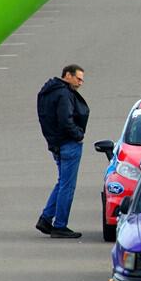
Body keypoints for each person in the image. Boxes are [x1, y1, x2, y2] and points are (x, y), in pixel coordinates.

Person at [36, 65, 89, 239]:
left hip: (55, 143)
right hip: (68, 144)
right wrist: (78, 135)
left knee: (62, 183)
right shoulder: (64, 94)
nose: (81, 83)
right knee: (67, 185)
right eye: (78, 78)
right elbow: (65, 120)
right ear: (67, 75)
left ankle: (46, 218)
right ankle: (60, 225)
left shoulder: (48, 91)